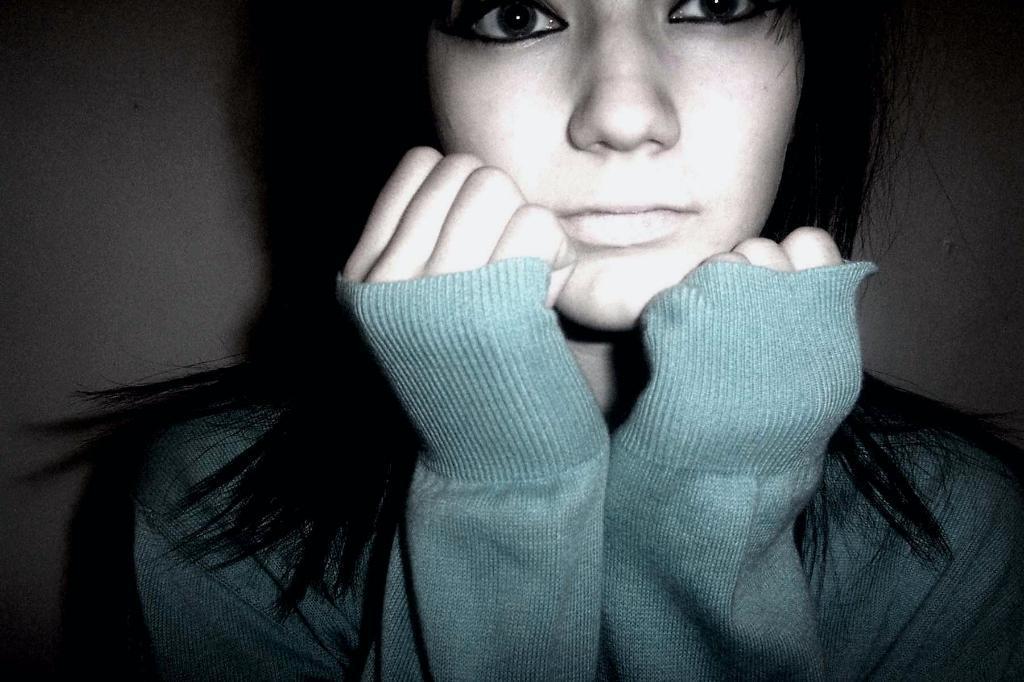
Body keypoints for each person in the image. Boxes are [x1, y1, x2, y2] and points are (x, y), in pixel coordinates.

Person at [52, 1, 1023, 679]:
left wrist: (715, 502)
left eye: (713, 3)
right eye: (514, 15)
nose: (623, 115)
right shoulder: (211, 512)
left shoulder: (958, 528)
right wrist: (499, 483)